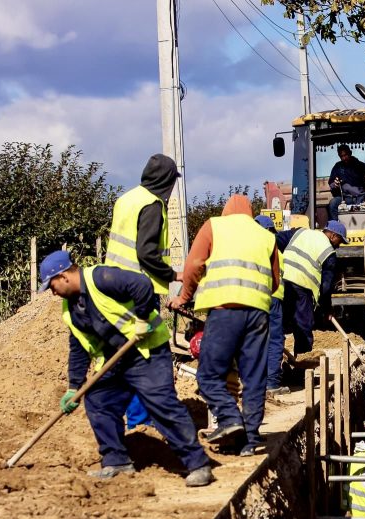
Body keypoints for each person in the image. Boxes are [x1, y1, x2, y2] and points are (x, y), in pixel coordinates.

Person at [40, 250, 213, 486]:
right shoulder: (70, 308)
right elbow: (79, 347)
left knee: (161, 404)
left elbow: (141, 284)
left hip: (146, 352)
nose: (52, 291)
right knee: (98, 400)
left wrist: (142, 319)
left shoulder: (100, 278)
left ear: (64, 276)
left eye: (51, 285)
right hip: (115, 360)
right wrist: (73, 387)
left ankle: (198, 464)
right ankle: (117, 461)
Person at [168, 195, 281, 456]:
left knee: (208, 375)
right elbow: (274, 282)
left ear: (226, 211)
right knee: (253, 378)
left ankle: (230, 419)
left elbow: (194, 265)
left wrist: (184, 298)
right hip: (258, 314)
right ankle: (251, 440)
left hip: (224, 311)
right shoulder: (265, 236)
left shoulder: (214, 226)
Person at [269, 221, 347, 388]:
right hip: (301, 292)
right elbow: (326, 287)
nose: (339, 246)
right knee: (303, 331)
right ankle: (300, 375)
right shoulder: (329, 254)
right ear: (332, 235)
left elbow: (273, 241)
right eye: (340, 241)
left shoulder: (300, 233)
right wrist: (326, 308)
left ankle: (273, 374)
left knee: (277, 330)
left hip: (281, 286)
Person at [105, 154, 182, 295]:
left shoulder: (125, 199)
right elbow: (146, 252)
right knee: (149, 319)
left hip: (113, 282)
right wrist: (173, 275)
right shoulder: (152, 205)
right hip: (139, 287)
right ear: (165, 180)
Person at [254, 215, 289, 395]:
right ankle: (272, 383)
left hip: (254, 300)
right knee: (275, 340)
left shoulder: (250, 249)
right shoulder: (275, 251)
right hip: (273, 299)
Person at [327, 144, 365, 221]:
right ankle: (336, 228)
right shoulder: (338, 167)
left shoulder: (361, 166)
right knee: (333, 203)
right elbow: (331, 183)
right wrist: (334, 184)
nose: (344, 158)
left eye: (345, 155)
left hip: (361, 198)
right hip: (345, 199)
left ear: (350, 153)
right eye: (341, 156)